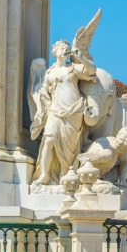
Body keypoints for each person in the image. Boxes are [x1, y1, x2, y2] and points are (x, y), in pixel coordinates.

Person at [31, 40, 98, 186]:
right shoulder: (49, 72)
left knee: (70, 147)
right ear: (55, 52)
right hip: (55, 111)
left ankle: (66, 173)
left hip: (74, 110)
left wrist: (81, 57)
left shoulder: (73, 68)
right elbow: (42, 92)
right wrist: (41, 109)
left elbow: (92, 71)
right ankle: (43, 174)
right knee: (48, 140)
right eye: (62, 49)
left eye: (67, 49)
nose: (65, 51)